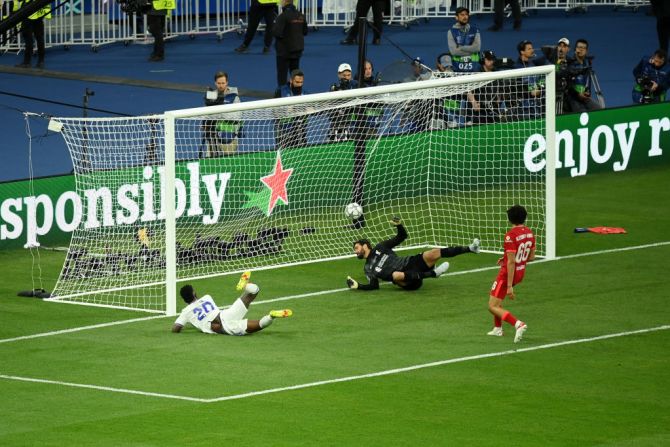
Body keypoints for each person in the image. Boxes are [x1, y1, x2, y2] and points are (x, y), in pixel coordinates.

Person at [346, 216, 480, 291]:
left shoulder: (381, 247)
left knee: (432, 253)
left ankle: (470, 248)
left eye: (356, 248)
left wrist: (399, 225)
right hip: (407, 282)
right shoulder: (367, 268)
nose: (355, 251)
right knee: (395, 275)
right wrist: (359, 286)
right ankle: (433, 274)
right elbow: (374, 285)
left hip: (409, 263)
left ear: (365, 245)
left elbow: (402, 236)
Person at [172, 279, 292, 336]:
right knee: (253, 293)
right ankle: (246, 286)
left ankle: (271, 316)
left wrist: (190, 323)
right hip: (227, 314)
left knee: (259, 324)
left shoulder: (186, 312)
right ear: (194, 293)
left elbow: (176, 328)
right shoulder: (207, 297)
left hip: (222, 327)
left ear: (184, 299)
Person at [486, 204, 535, 343]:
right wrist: (508, 258)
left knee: (492, 306)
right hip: (520, 273)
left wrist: (509, 286)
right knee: (497, 299)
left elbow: (512, 262)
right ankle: (497, 329)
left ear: (510, 219)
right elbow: (531, 257)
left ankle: (518, 324)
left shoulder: (510, 236)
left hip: (508, 274)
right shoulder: (530, 233)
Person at [201, 71, 242, 157]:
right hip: (212, 135)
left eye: (223, 83)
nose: (221, 85)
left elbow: (236, 117)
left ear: (227, 82)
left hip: (228, 135)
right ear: (215, 83)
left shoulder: (234, 97)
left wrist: (218, 112)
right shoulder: (212, 96)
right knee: (211, 164)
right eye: (219, 83)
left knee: (228, 163)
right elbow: (205, 116)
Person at [273, 0, 307, 88]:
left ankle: (282, 97)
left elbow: (277, 33)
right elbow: (305, 32)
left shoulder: (282, 17)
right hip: (297, 50)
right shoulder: (301, 16)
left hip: (284, 51)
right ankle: (296, 95)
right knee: (295, 75)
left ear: (284, 1)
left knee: (282, 77)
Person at [274, 69, 308, 149]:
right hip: (284, 132)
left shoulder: (305, 94)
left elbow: (315, 110)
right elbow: (275, 111)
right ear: (291, 80)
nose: (299, 85)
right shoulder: (281, 91)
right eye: (297, 82)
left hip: (300, 132)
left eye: (301, 82)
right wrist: (287, 110)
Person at [566, 39, 602, 111]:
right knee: (583, 113)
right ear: (575, 49)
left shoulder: (586, 64)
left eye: (583, 48)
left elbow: (586, 82)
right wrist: (577, 94)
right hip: (572, 97)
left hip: (583, 96)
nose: (581, 50)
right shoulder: (569, 64)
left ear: (586, 51)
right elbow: (567, 85)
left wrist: (586, 92)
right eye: (579, 47)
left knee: (598, 109)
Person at [13, 0, 51, 69]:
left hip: (27, 13)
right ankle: (40, 62)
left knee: (29, 40)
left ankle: (27, 63)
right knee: (39, 39)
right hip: (38, 14)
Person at [329, 63, 358, 142]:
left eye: (348, 75)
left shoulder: (355, 85)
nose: (346, 77)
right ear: (339, 75)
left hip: (353, 125)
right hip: (337, 126)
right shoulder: (334, 88)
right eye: (344, 75)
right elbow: (331, 113)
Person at [447, 7, 481, 73]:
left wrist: (461, 47)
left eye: (466, 14)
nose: (465, 17)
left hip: (474, 66)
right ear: (456, 17)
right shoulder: (451, 32)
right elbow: (454, 52)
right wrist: (471, 50)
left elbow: (477, 48)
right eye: (462, 15)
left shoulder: (475, 30)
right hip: (457, 67)